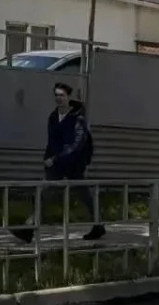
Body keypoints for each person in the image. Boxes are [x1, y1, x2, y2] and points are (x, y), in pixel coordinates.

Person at [11, 82, 105, 243]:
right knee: (44, 193)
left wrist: (55, 158)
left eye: (62, 95)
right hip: (58, 164)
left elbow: (77, 144)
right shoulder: (53, 117)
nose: (59, 98)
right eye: (56, 95)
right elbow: (52, 141)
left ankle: (98, 225)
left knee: (84, 195)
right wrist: (48, 158)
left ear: (68, 97)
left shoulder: (78, 118)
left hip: (74, 163)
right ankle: (29, 228)